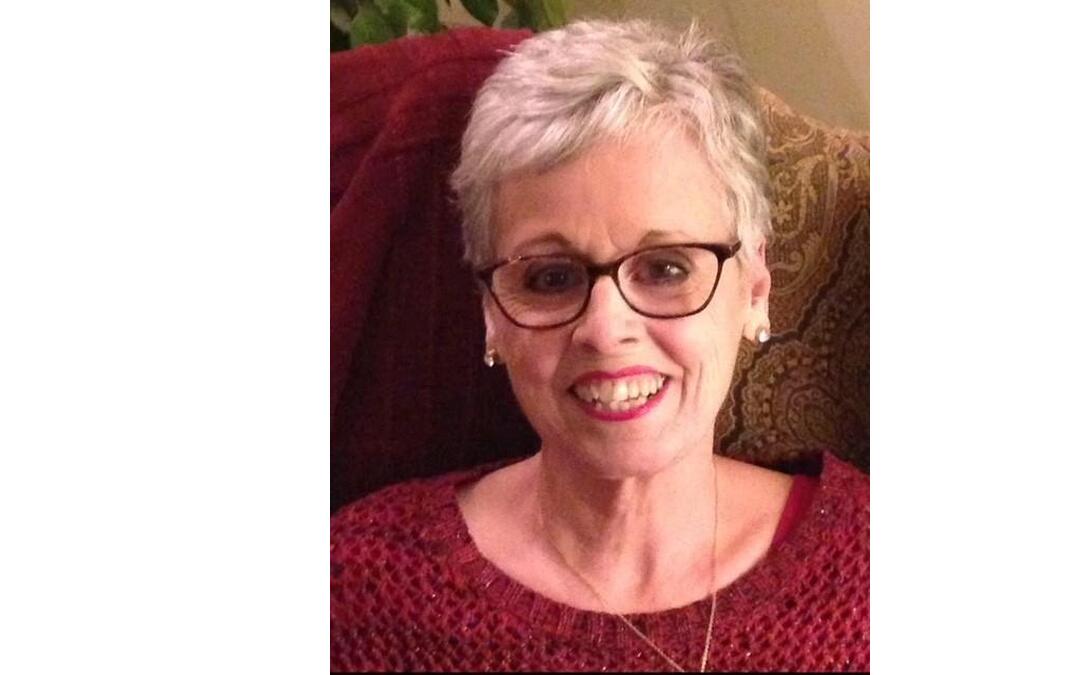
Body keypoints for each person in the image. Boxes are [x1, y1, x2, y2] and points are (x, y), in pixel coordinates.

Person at [330, 19, 869, 672]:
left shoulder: (871, 573)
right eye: (550, 278)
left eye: (665, 268)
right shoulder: (358, 594)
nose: (606, 329)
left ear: (754, 287)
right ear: (491, 314)